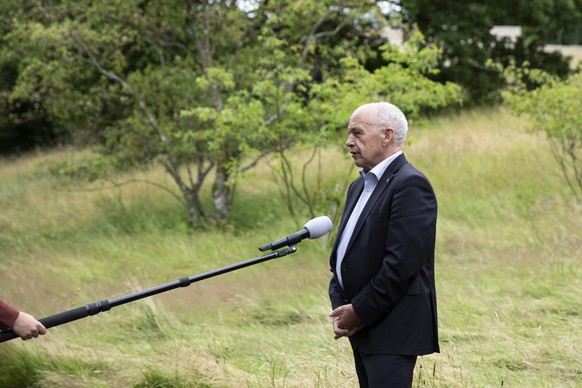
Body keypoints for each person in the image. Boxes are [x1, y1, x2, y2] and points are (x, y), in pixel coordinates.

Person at [328, 102, 439, 387]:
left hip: (392, 329)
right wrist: (342, 306)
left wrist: (359, 311)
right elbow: (344, 256)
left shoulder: (410, 184)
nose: (348, 142)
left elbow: (400, 267)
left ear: (387, 136)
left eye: (357, 133)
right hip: (361, 324)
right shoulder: (359, 185)